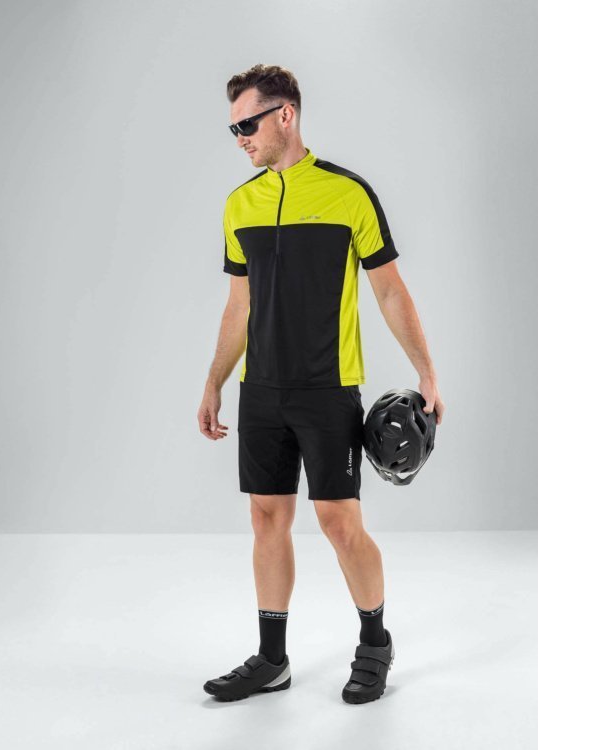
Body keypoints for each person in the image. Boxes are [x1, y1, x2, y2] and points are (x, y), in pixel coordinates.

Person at [197, 64, 445, 704]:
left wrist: (426, 371)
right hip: (261, 390)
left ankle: (375, 643)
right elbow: (238, 306)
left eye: (248, 125)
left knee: (339, 523)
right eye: (233, 128)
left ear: (285, 115)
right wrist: (214, 383)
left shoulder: (348, 193)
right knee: (266, 520)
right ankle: (271, 660)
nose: (240, 138)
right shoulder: (240, 204)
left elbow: (389, 290)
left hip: (328, 389)